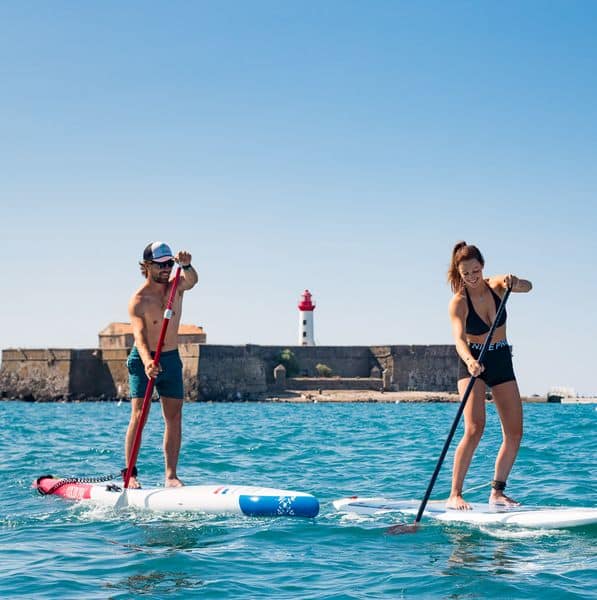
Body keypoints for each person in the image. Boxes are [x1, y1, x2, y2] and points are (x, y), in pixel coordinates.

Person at [446, 241, 532, 510]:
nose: (471, 278)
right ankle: (455, 494)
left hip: (501, 358)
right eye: (466, 274)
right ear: (459, 274)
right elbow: (459, 339)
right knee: (474, 428)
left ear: (482, 267)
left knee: (515, 432)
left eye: (475, 271)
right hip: (473, 361)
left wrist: (515, 282)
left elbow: (529, 287)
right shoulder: (458, 302)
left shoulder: (497, 285)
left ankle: (497, 492)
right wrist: (470, 361)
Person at [124, 241, 198, 489]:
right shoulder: (138, 300)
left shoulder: (176, 287)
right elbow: (140, 337)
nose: (167, 269)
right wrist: (146, 363)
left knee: (174, 417)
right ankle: (131, 474)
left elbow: (193, 280)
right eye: (162, 265)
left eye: (170, 263)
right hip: (143, 359)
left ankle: (171, 476)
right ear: (147, 266)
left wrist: (186, 265)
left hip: (170, 358)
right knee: (139, 416)